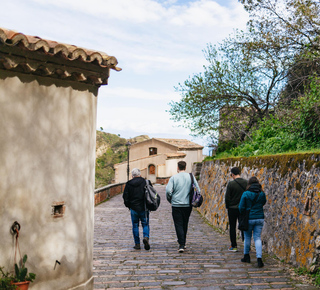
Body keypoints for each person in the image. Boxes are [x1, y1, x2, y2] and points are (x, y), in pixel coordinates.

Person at [166, 161, 200, 253]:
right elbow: (198, 190)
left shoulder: (173, 178)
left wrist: (171, 200)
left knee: (178, 224)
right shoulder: (191, 177)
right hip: (188, 204)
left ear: (178, 167)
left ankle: (181, 244)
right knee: (185, 223)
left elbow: (168, 191)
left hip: (176, 204)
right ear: (185, 167)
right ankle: (183, 242)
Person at [239, 176, 266, 268]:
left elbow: (241, 207)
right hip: (259, 218)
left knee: (247, 237)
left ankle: (246, 256)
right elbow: (263, 203)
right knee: (257, 238)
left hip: (249, 218)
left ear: (249, 184)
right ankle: (259, 259)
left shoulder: (246, 193)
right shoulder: (262, 194)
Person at [123, 168, 151, 250]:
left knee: (135, 225)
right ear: (140, 174)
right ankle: (146, 237)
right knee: (145, 224)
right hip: (144, 208)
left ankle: (137, 244)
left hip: (133, 208)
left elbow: (125, 196)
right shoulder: (145, 182)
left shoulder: (128, 183)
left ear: (132, 176)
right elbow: (151, 193)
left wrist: (128, 205)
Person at [225, 167, 248, 252]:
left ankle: (234, 245)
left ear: (232, 174)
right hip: (243, 208)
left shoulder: (231, 184)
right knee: (243, 226)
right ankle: (246, 244)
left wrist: (227, 206)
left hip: (232, 208)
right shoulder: (246, 182)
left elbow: (227, 197)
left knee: (232, 226)